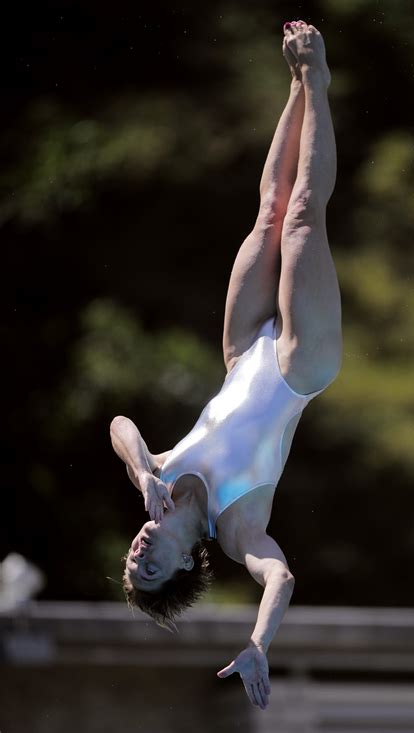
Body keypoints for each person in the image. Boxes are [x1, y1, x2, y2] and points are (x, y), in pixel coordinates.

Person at [110, 20, 342, 710]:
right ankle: (320, 80)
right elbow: (282, 577)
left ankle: (296, 80)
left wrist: (143, 465)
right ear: (184, 561)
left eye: (131, 556)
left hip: (242, 353)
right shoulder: (239, 529)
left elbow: (120, 423)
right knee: (302, 215)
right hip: (302, 366)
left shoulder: (154, 477)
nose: (140, 549)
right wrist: (260, 642)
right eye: (150, 564)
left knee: (268, 212)